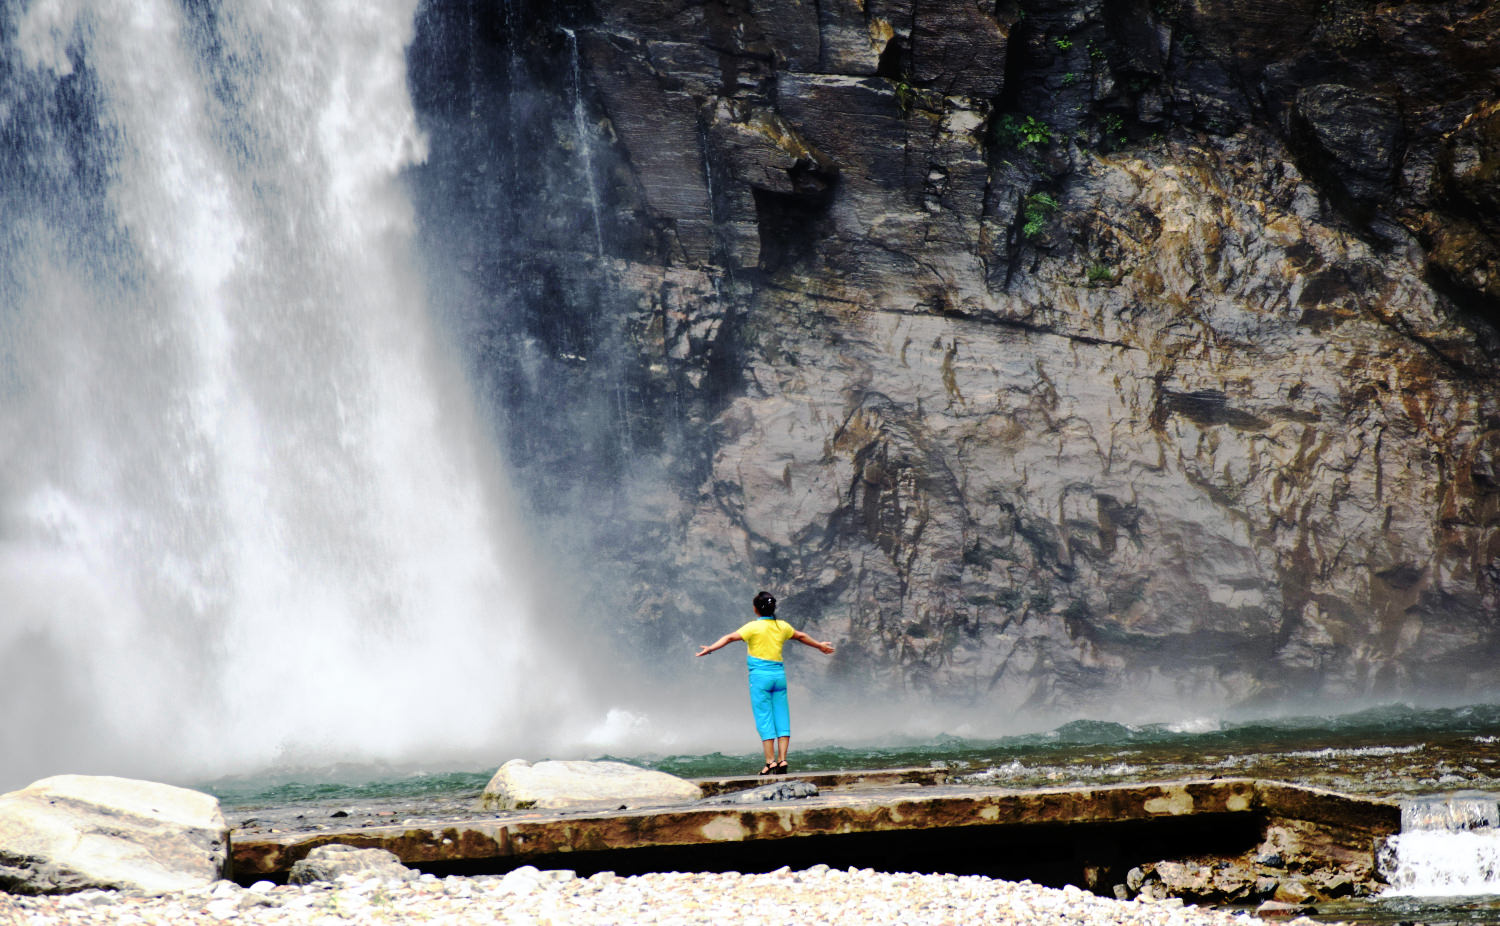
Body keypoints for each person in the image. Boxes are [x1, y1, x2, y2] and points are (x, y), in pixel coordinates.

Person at [696, 590, 835, 775]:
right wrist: (820, 646)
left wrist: (710, 649)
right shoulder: (782, 626)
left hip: (760, 678)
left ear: (755, 609)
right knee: (782, 716)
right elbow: (801, 635)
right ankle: (783, 759)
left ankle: (770, 762)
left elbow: (729, 638)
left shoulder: (752, 628)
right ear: (773, 608)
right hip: (779, 677)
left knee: (764, 718)